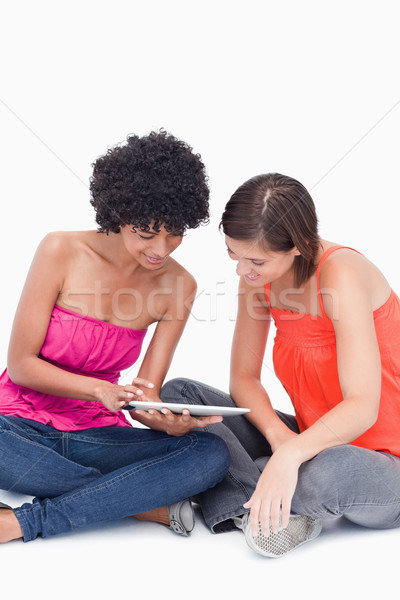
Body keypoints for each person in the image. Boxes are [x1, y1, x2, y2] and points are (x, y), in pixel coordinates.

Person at [0, 130, 230, 544]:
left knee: (208, 456)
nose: (162, 249)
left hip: (96, 436)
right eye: (146, 233)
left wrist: (167, 423)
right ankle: (138, 501)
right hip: (15, 425)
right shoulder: (61, 250)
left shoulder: (180, 285)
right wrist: (98, 390)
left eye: (175, 232)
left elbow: (143, 397)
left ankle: (25, 521)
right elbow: (21, 366)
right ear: (118, 214)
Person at [160, 172, 400, 557]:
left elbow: (362, 407)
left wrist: (289, 455)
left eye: (255, 260)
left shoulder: (341, 276)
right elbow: (242, 378)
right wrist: (278, 437)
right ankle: (257, 503)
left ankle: (246, 483)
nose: (242, 271)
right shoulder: (256, 281)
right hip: (310, 437)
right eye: (233, 254)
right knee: (182, 396)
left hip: (384, 462)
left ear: (299, 247)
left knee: (327, 471)